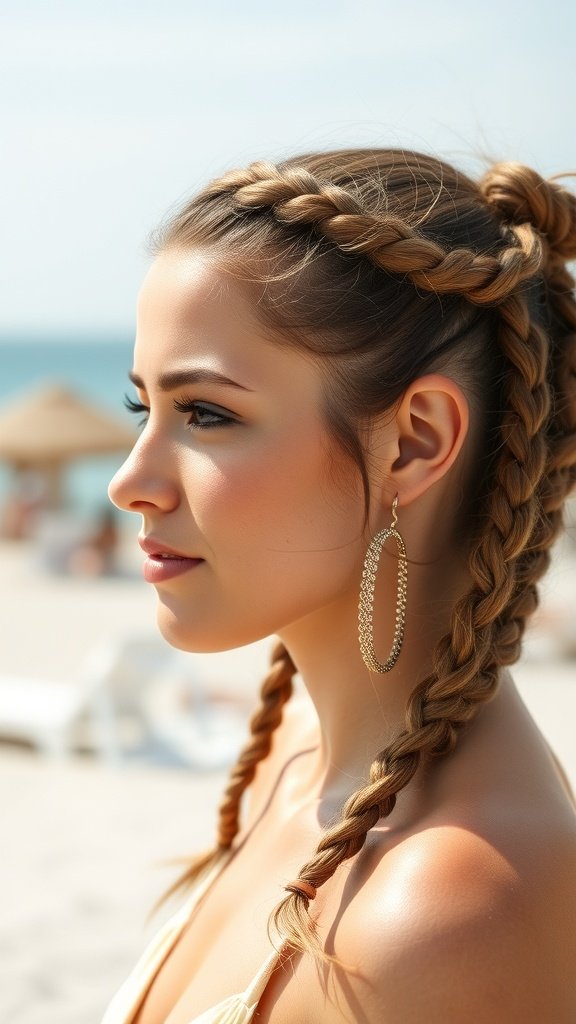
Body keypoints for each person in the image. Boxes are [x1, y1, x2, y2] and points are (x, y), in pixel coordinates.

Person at [103, 149, 576, 1023]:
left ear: (415, 442)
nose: (129, 482)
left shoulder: (446, 910)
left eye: (207, 413)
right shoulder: (301, 774)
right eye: (145, 409)